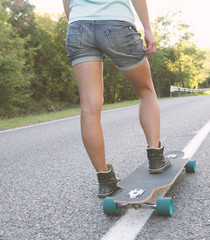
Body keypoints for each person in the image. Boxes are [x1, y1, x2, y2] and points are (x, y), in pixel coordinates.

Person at [62, 0, 171, 198]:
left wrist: (78, 23)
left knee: (89, 107)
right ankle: (155, 158)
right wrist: (148, 29)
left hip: (78, 26)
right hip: (116, 22)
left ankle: (105, 181)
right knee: (146, 90)